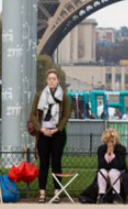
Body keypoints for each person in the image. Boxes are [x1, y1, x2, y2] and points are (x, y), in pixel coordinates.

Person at [30, 69, 71, 203]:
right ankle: (42, 192)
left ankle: (56, 192)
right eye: (50, 79)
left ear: (58, 81)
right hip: (43, 133)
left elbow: (66, 114)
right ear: (46, 81)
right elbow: (33, 115)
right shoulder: (39, 95)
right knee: (43, 164)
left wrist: (58, 128)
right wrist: (41, 129)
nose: (52, 81)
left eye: (54, 78)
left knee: (56, 163)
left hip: (57, 133)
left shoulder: (63, 96)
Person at [96, 128, 127, 204]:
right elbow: (101, 165)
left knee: (113, 172)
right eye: (107, 141)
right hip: (105, 170)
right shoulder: (101, 149)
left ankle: (116, 195)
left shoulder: (121, 149)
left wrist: (112, 155)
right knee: (102, 172)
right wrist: (107, 154)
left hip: (118, 171)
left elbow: (119, 165)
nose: (109, 143)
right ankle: (102, 194)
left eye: (112, 141)